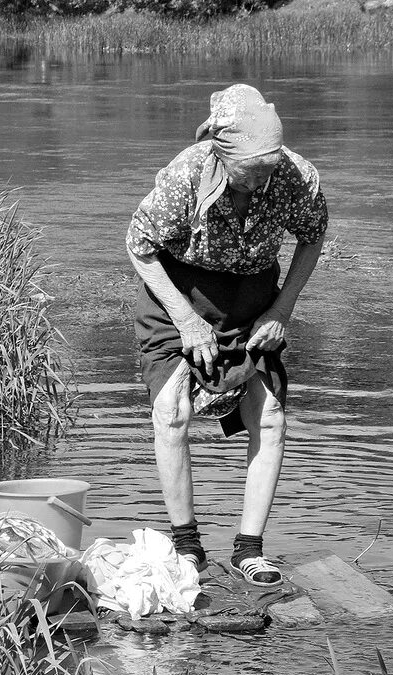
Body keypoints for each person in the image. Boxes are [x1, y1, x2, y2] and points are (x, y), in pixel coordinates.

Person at [126, 84, 328, 585]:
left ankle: (249, 550)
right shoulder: (185, 175)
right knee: (172, 411)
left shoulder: (294, 176)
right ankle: (187, 545)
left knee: (272, 414)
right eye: (253, 168)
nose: (263, 176)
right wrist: (187, 321)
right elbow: (139, 245)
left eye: (270, 164)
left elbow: (313, 234)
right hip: (180, 289)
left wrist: (282, 307)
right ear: (222, 151)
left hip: (254, 295)